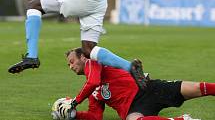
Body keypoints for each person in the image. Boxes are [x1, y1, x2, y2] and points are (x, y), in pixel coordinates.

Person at [7, 0, 145, 88]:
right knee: (88, 50)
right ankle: (131, 68)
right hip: (99, 3)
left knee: (34, 6)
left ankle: (32, 56)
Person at [54, 47, 215, 120]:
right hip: (134, 108)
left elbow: (93, 81)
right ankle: (183, 119)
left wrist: (74, 102)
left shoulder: (94, 64)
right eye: (68, 64)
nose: (71, 66)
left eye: (72, 61)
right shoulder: (93, 93)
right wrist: (75, 114)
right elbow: (95, 116)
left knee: (196, 88)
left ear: (83, 57)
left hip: (147, 88)